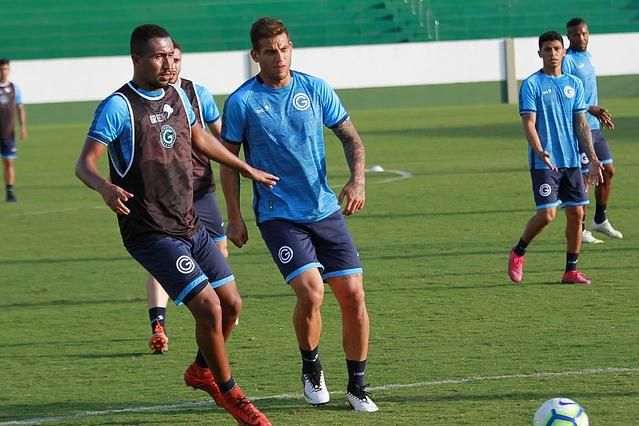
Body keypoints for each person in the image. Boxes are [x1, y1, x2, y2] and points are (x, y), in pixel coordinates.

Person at [75, 24, 274, 426]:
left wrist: (243, 166)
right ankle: (231, 394)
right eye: (158, 57)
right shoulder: (119, 107)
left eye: (171, 55)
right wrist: (104, 188)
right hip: (150, 231)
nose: (168, 63)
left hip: (190, 224)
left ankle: (201, 372)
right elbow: (85, 164)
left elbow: (200, 139)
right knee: (209, 308)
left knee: (232, 305)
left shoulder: (181, 94)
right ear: (137, 59)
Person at [219, 17, 379, 412]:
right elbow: (227, 163)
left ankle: (357, 387)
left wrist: (357, 181)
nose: (280, 57)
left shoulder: (315, 88)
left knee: (354, 296)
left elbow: (351, 138)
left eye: (285, 48)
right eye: (270, 51)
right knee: (312, 292)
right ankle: (311, 367)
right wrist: (235, 217)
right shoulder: (242, 102)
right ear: (255, 55)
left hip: (324, 209)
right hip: (278, 215)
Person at [146, 40, 230, 356]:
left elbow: (219, 136)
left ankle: (215, 311)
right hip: (167, 195)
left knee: (218, 249)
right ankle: (159, 322)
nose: (173, 64)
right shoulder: (145, 100)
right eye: (167, 58)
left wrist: (239, 162)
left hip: (201, 188)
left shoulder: (197, 94)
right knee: (161, 257)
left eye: (177, 59)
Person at [507, 31, 603, 285]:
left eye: (556, 49)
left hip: (571, 160)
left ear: (563, 51)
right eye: (547, 49)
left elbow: (581, 124)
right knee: (547, 215)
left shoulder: (574, 84)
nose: (552, 54)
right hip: (545, 162)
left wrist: (592, 157)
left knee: (577, 214)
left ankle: (571, 270)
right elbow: (529, 123)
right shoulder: (531, 85)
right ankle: (518, 251)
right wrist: (540, 150)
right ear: (539, 53)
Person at [563, 17, 623, 243]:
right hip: (579, 128)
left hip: (594, 126)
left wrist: (598, 114)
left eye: (584, 33)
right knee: (586, 176)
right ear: (569, 37)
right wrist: (592, 108)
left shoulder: (587, 57)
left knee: (608, 171)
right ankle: (581, 229)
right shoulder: (567, 61)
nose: (581, 38)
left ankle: (600, 220)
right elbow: (566, 95)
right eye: (576, 35)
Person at [0, 59, 27, 202]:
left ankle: (9, 192)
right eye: (1, 69)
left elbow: (20, 108)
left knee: (8, 162)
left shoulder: (14, 88)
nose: (4, 71)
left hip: (8, 133)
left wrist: (23, 127)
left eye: (6, 69)